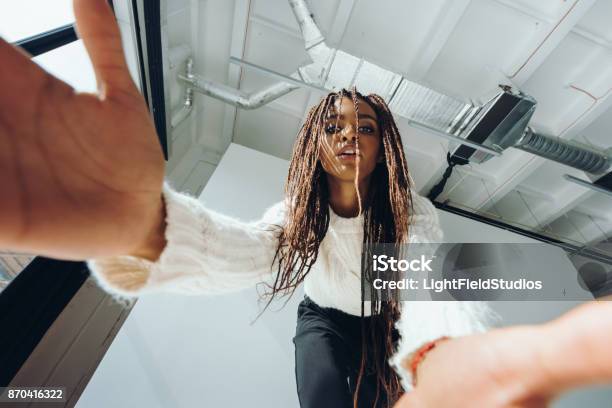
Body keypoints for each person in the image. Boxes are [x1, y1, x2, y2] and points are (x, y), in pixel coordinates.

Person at [1, 0, 611, 407]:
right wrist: (146, 228)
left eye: (367, 127)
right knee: (319, 396)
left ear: (384, 147)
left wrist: (443, 354)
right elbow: (247, 250)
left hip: (385, 323)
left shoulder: (409, 216)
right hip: (323, 319)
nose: (351, 134)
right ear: (314, 146)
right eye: (335, 126)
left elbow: (431, 286)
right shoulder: (300, 211)